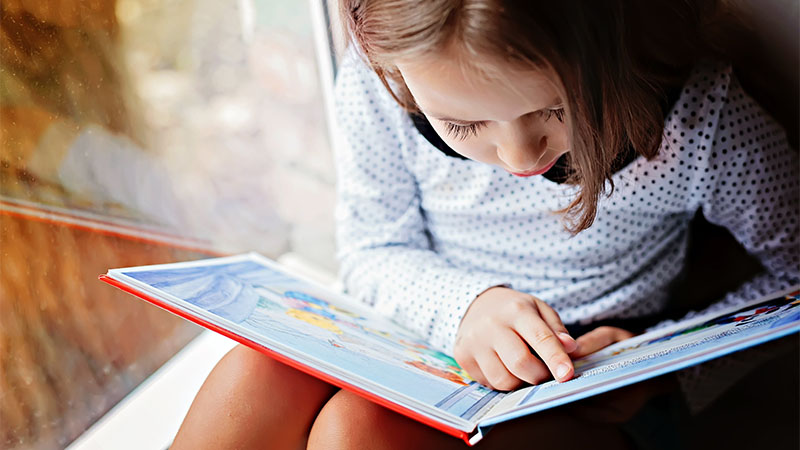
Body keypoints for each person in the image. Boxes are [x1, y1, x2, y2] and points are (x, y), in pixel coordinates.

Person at [171, 0, 799, 448]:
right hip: (428, 350)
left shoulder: (699, 124)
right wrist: (464, 308)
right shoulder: (381, 83)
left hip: (592, 398)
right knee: (259, 369)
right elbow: (371, 249)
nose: (521, 157)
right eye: (464, 126)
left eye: (556, 109)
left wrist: (659, 364)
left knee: (356, 433)